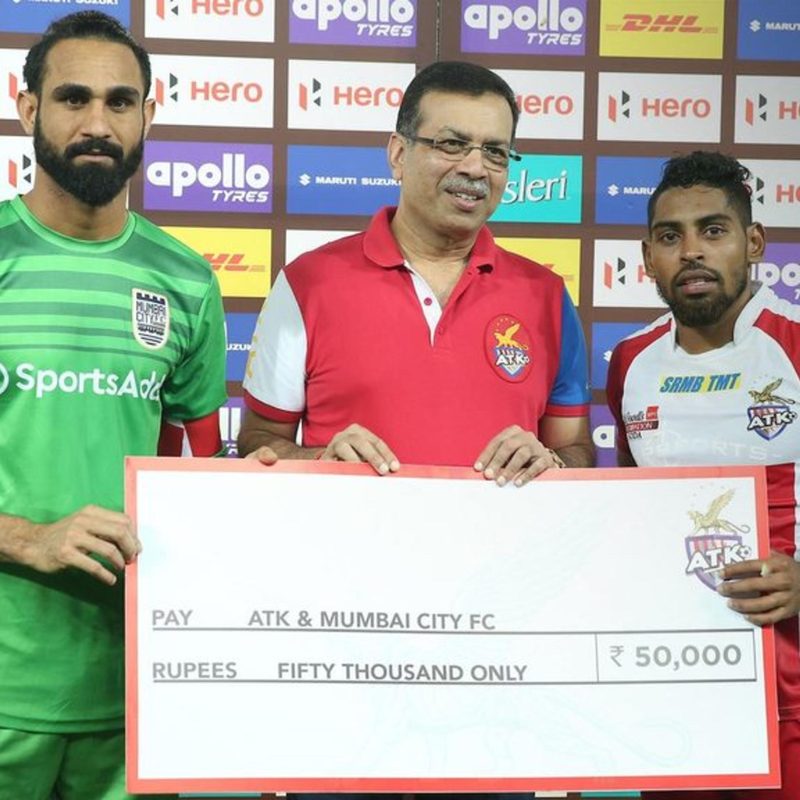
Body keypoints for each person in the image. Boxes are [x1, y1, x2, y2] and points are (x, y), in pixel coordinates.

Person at [240, 61, 594, 799]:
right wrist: (316, 457)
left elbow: (577, 454)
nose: (475, 168)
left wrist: (555, 465)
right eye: (451, 143)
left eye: (496, 151)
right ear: (398, 153)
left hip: (497, 658)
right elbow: (255, 450)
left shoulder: (546, 295)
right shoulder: (308, 282)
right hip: (340, 652)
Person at [0, 11, 244, 799]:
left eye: (120, 101)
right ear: (28, 108)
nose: (98, 124)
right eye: (73, 98)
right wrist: (29, 538)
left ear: (149, 113)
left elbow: (203, 477)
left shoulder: (186, 280)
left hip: (137, 690)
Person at [607, 150, 800, 799]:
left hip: (790, 689)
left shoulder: (794, 346)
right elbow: (633, 510)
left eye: (713, 231)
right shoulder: (630, 361)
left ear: (753, 242)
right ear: (647, 256)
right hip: (676, 687)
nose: (691, 251)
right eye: (670, 237)